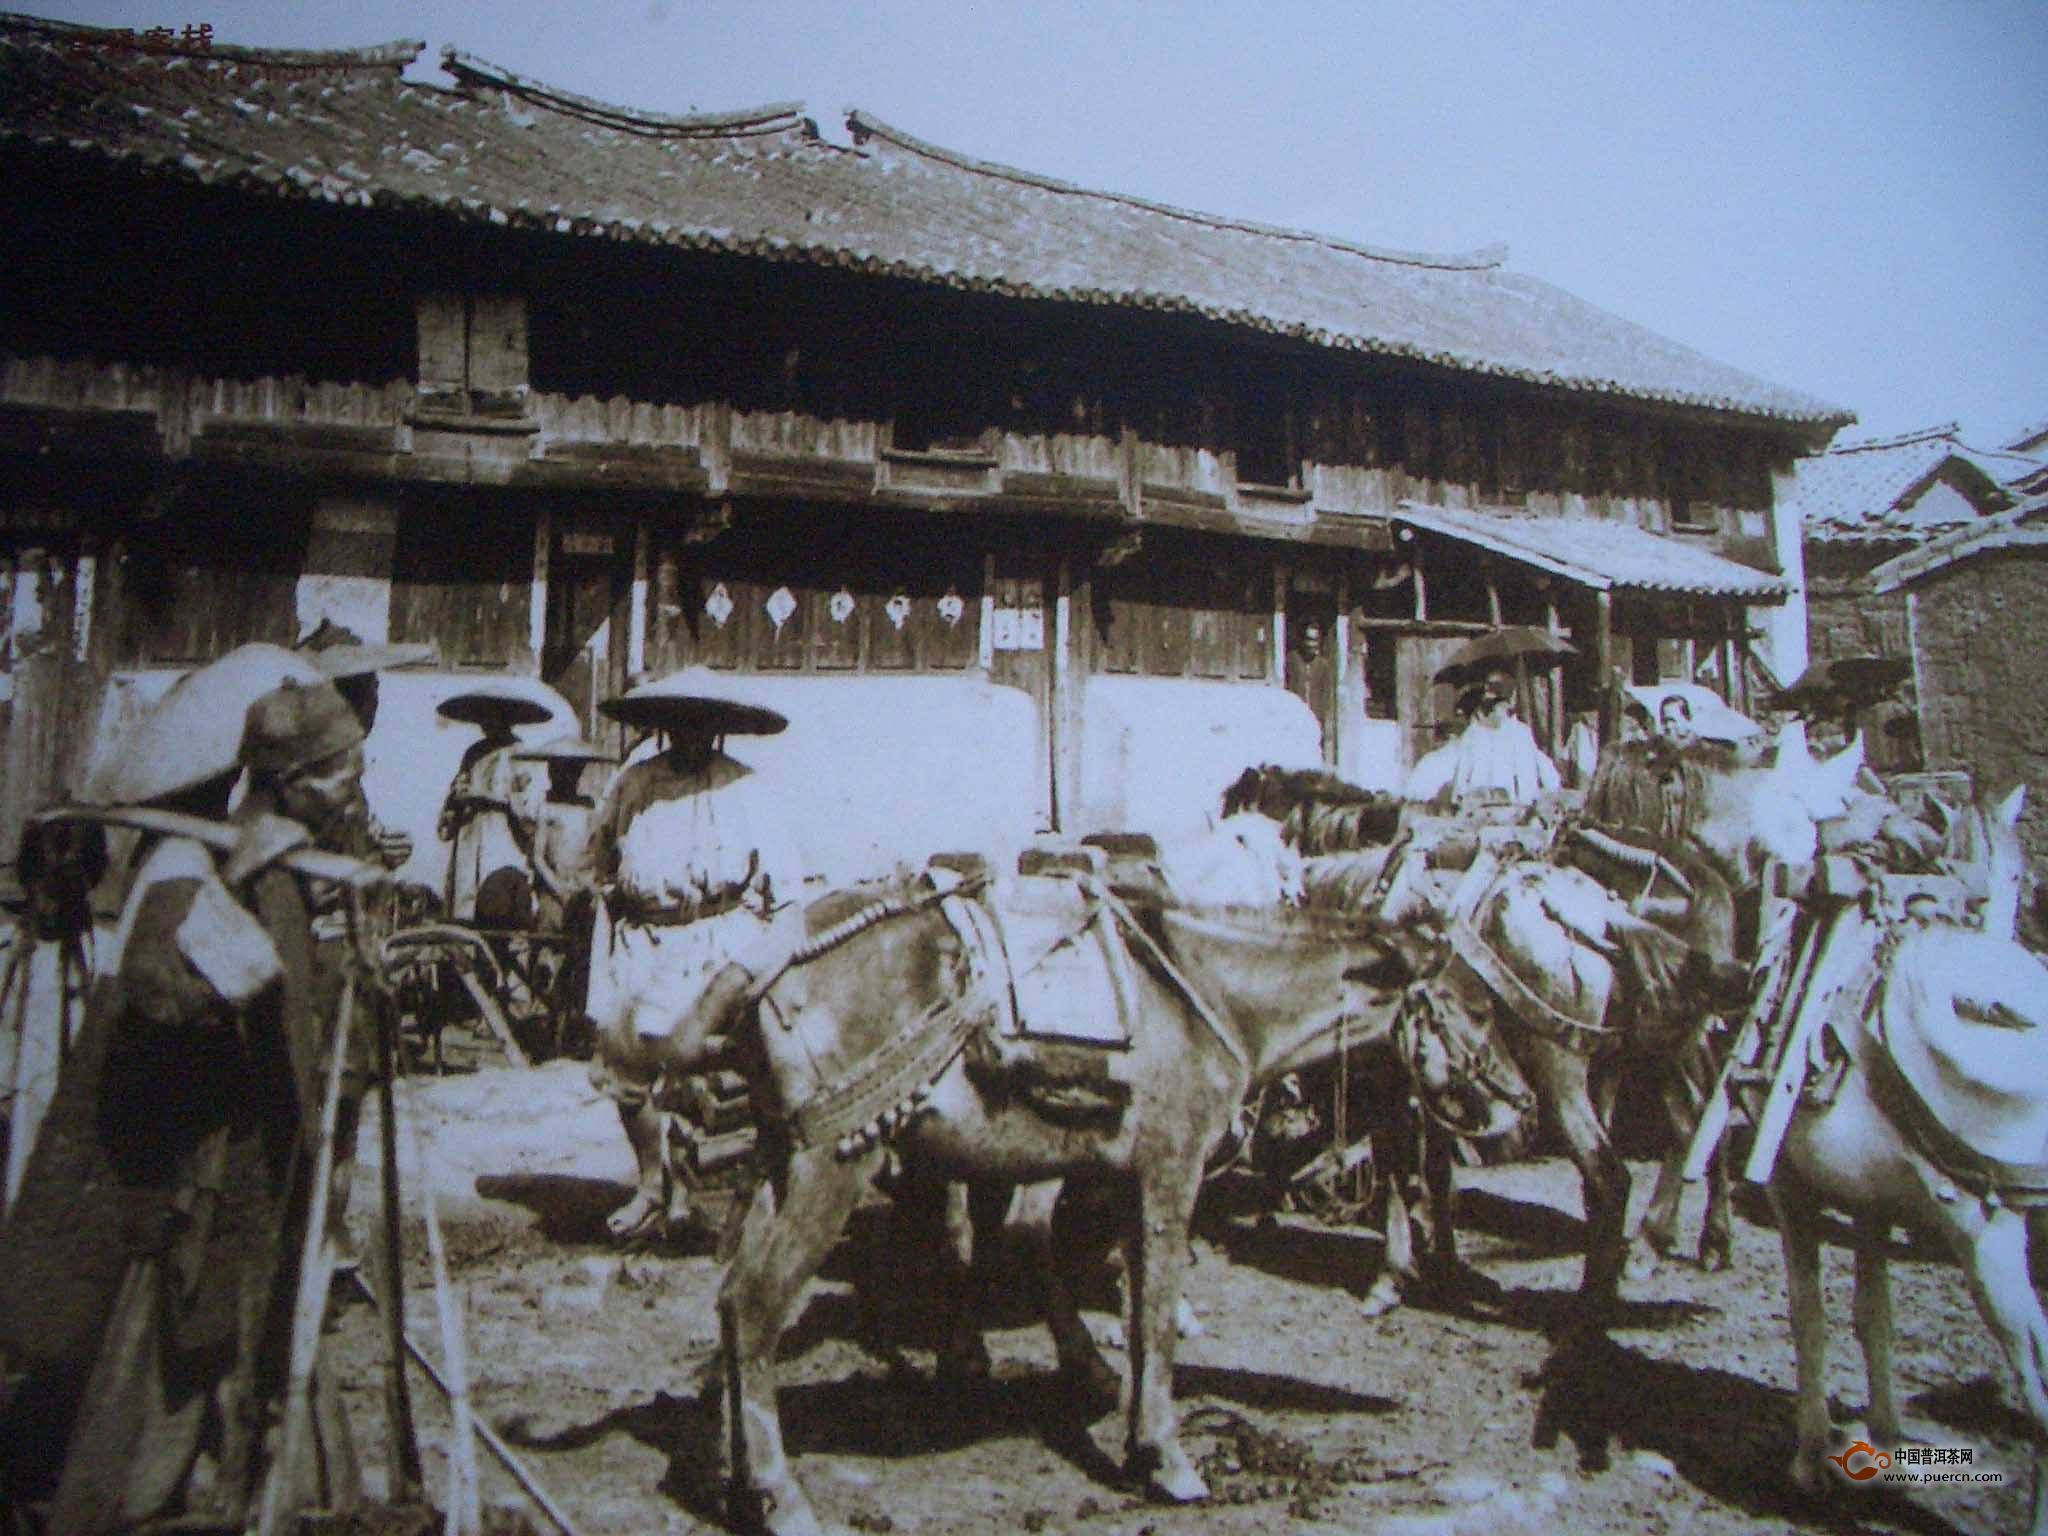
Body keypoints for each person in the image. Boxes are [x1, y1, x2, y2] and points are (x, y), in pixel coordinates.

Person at [0, 673, 371, 1532]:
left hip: (261, 1171)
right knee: (148, 1375)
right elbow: (162, 998)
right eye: (341, 771)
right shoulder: (190, 864)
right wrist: (237, 891)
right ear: (289, 780)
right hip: (180, 1181)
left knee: (252, 1352)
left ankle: (248, 1489)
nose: (356, 785)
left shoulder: (295, 867)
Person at [577, 669, 804, 1241]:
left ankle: (706, 1193)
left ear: (719, 729)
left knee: (704, 1073)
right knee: (627, 1071)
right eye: (679, 724)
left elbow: (785, 890)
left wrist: (755, 955)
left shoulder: (745, 788)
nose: (690, 736)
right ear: (664, 728)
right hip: (643, 943)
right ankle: (652, 1185)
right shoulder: (635, 784)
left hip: (715, 941)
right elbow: (595, 859)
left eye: (702, 725)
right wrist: (619, 901)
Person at [294, 619, 433, 871]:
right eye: (371, 690)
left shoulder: (343, 761)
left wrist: (385, 847)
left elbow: (359, 834)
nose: (375, 703)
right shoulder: (309, 769)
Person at [436, 688, 551, 927]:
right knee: (466, 904)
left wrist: (486, 796)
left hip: (500, 836)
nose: (485, 724)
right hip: (470, 833)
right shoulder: (473, 753)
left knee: (497, 903)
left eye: (492, 717)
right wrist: (456, 798)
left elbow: (528, 805)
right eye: (482, 717)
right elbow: (456, 793)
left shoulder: (520, 754)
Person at [1403, 667, 1560, 809]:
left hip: (1515, 810)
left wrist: (1539, 798)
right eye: (1488, 705)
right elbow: (1461, 777)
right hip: (1478, 809)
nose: (1492, 710)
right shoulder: (1474, 734)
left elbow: (1542, 776)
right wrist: (1460, 798)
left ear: (1508, 704)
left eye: (1498, 704)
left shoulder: (1520, 734)